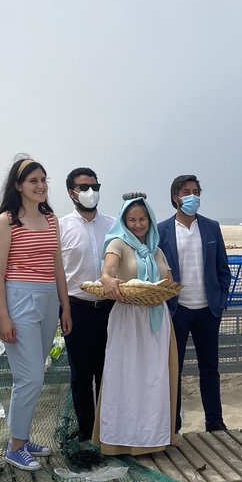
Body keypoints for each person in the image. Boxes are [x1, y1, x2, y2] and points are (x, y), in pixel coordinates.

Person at [0, 157, 72, 471]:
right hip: (19, 298)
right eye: (33, 181)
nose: (40, 186)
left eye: (43, 180)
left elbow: (58, 267)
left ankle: (21, 437)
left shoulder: (51, 219)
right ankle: (15, 446)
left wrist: (65, 306)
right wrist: (3, 317)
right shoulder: (7, 221)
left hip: (49, 298)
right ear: (18, 186)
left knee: (36, 374)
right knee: (29, 377)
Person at [95, 192, 179, 455]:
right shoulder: (118, 244)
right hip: (129, 320)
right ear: (124, 220)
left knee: (154, 377)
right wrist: (107, 279)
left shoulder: (156, 249)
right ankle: (121, 441)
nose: (138, 224)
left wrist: (166, 286)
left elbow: (168, 278)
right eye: (131, 219)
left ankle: (153, 438)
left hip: (155, 318)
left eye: (142, 219)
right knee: (126, 377)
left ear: (150, 220)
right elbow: (108, 271)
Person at [158, 174, 232, 433]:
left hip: (207, 311)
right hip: (177, 311)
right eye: (186, 192)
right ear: (175, 197)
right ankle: (173, 424)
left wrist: (220, 302)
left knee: (210, 369)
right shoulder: (161, 230)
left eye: (196, 191)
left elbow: (223, 269)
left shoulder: (211, 227)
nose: (193, 196)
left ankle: (215, 422)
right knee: (173, 370)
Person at [59, 167, 114, 442]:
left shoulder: (114, 224)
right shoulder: (60, 226)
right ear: (71, 192)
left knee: (108, 372)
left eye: (95, 186)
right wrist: (63, 310)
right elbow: (57, 272)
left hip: (109, 309)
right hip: (76, 309)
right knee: (81, 375)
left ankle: (106, 432)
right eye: (84, 187)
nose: (90, 192)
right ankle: (85, 433)